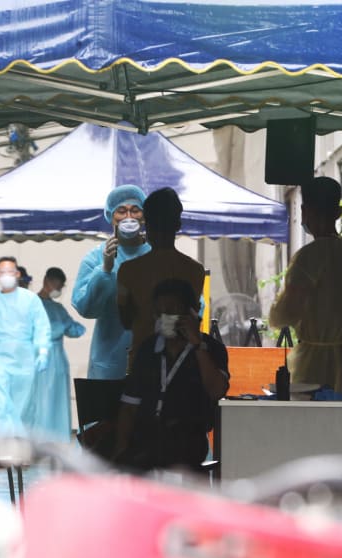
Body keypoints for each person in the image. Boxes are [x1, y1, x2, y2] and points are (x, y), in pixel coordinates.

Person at [268, 176, 342, 394]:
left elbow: (284, 314)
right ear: (338, 212)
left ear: (305, 211)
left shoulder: (307, 258)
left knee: (316, 423)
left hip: (314, 368)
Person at [114, 279, 229, 471]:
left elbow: (216, 391)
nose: (164, 316)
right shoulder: (148, 350)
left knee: (170, 455)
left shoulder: (211, 349)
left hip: (187, 441)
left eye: (171, 310)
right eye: (159, 312)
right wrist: (120, 450)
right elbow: (129, 407)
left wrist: (197, 345)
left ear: (192, 312)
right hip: (146, 438)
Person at [117, 187, 205, 371]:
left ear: (146, 225)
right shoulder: (195, 271)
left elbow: (125, 321)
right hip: (181, 366)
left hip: (141, 365)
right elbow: (192, 317)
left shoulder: (128, 271)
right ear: (178, 225)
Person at [72, 185, 150, 379]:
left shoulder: (158, 255)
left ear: (144, 216)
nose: (128, 217)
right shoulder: (95, 258)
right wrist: (105, 270)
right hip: (109, 361)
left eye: (135, 210)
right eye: (121, 211)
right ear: (111, 216)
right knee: (106, 409)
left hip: (150, 359)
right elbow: (86, 308)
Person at [0, 256, 51, 436]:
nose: (6, 276)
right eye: (2, 272)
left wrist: (43, 351)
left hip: (25, 359)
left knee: (23, 404)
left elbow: (41, 327)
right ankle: (3, 445)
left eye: (10, 272)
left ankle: (21, 444)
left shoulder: (30, 299)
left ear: (17, 274)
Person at [31, 267, 86, 441]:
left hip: (58, 362)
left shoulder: (58, 308)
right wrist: (59, 328)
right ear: (47, 281)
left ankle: (57, 440)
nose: (59, 290)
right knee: (39, 401)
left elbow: (75, 329)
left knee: (57, 401)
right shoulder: (31, 304)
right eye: (58, 285)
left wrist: (68, 327)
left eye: (61, 287)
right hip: (37, 359)